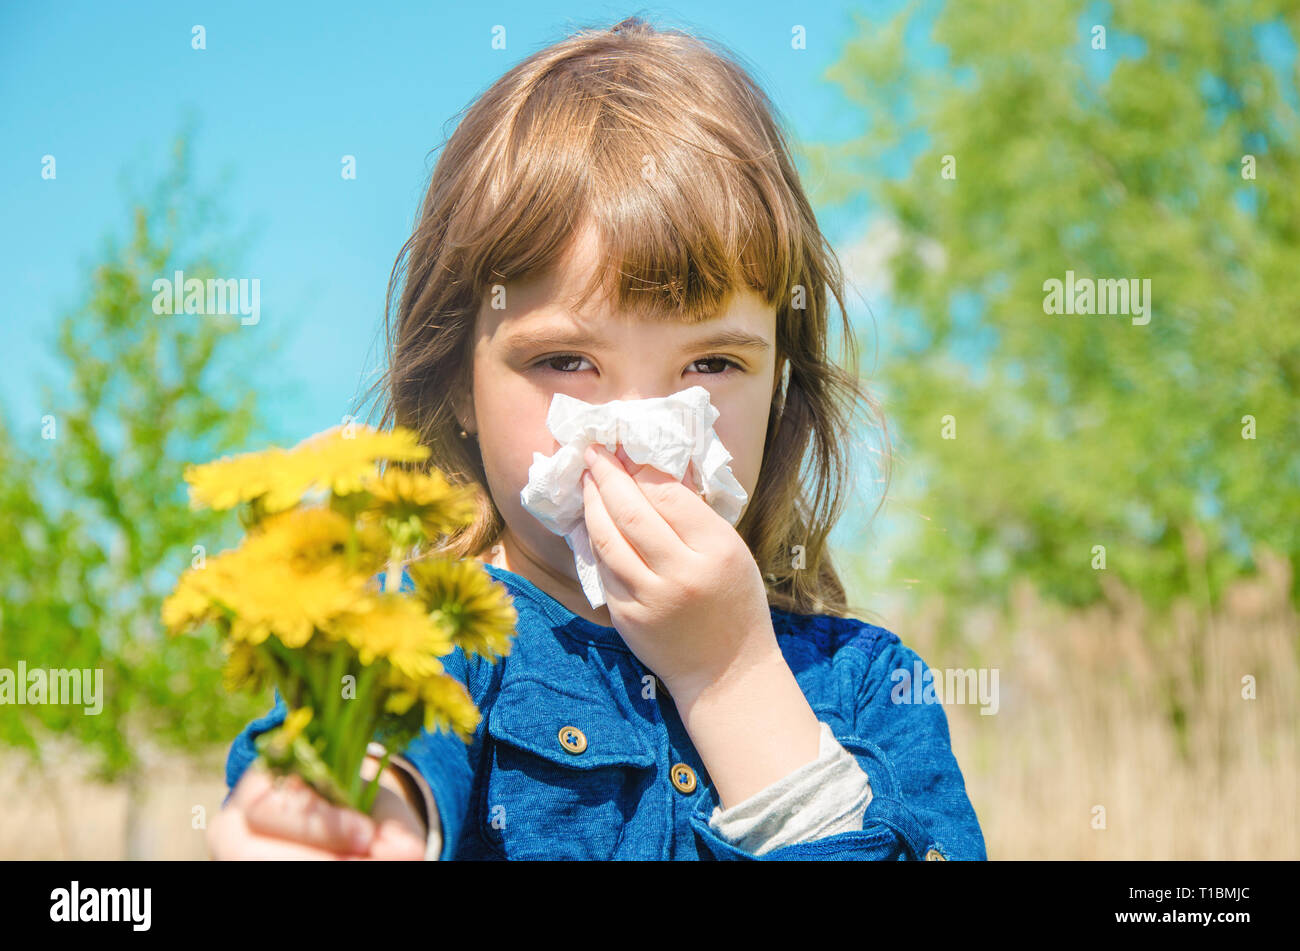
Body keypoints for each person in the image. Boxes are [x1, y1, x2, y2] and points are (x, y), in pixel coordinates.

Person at [207, 14, 986, 861]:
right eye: (566, 359)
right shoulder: (433, 629)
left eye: (714, 362)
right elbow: (383, 747)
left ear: (780, 388)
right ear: (457, 386)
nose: (640, 431)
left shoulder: (869, 689)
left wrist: (732, 678)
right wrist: (354, 810)